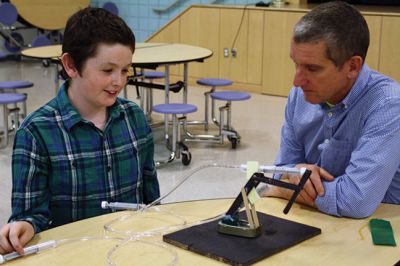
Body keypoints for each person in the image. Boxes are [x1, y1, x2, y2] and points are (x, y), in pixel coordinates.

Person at [0, 7, 160, 255]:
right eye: (107, 70)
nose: (118, 81)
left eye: (126, 70)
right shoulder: (36, 132)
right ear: (71, 65)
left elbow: (151, 199)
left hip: (132, 251)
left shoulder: (134, 118)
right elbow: (30, 214)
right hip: (73, 255)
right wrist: (23, 227)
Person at [261, 1, 400, 218]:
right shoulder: (300, 95)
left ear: (352, 67)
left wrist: (282, 189)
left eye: (312, 68)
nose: (297, 81)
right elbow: (281, 170)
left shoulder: (388, 105)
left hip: (377, 230)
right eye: (295, 64)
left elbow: (356, 201)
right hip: (319, 219)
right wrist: (295, 173)